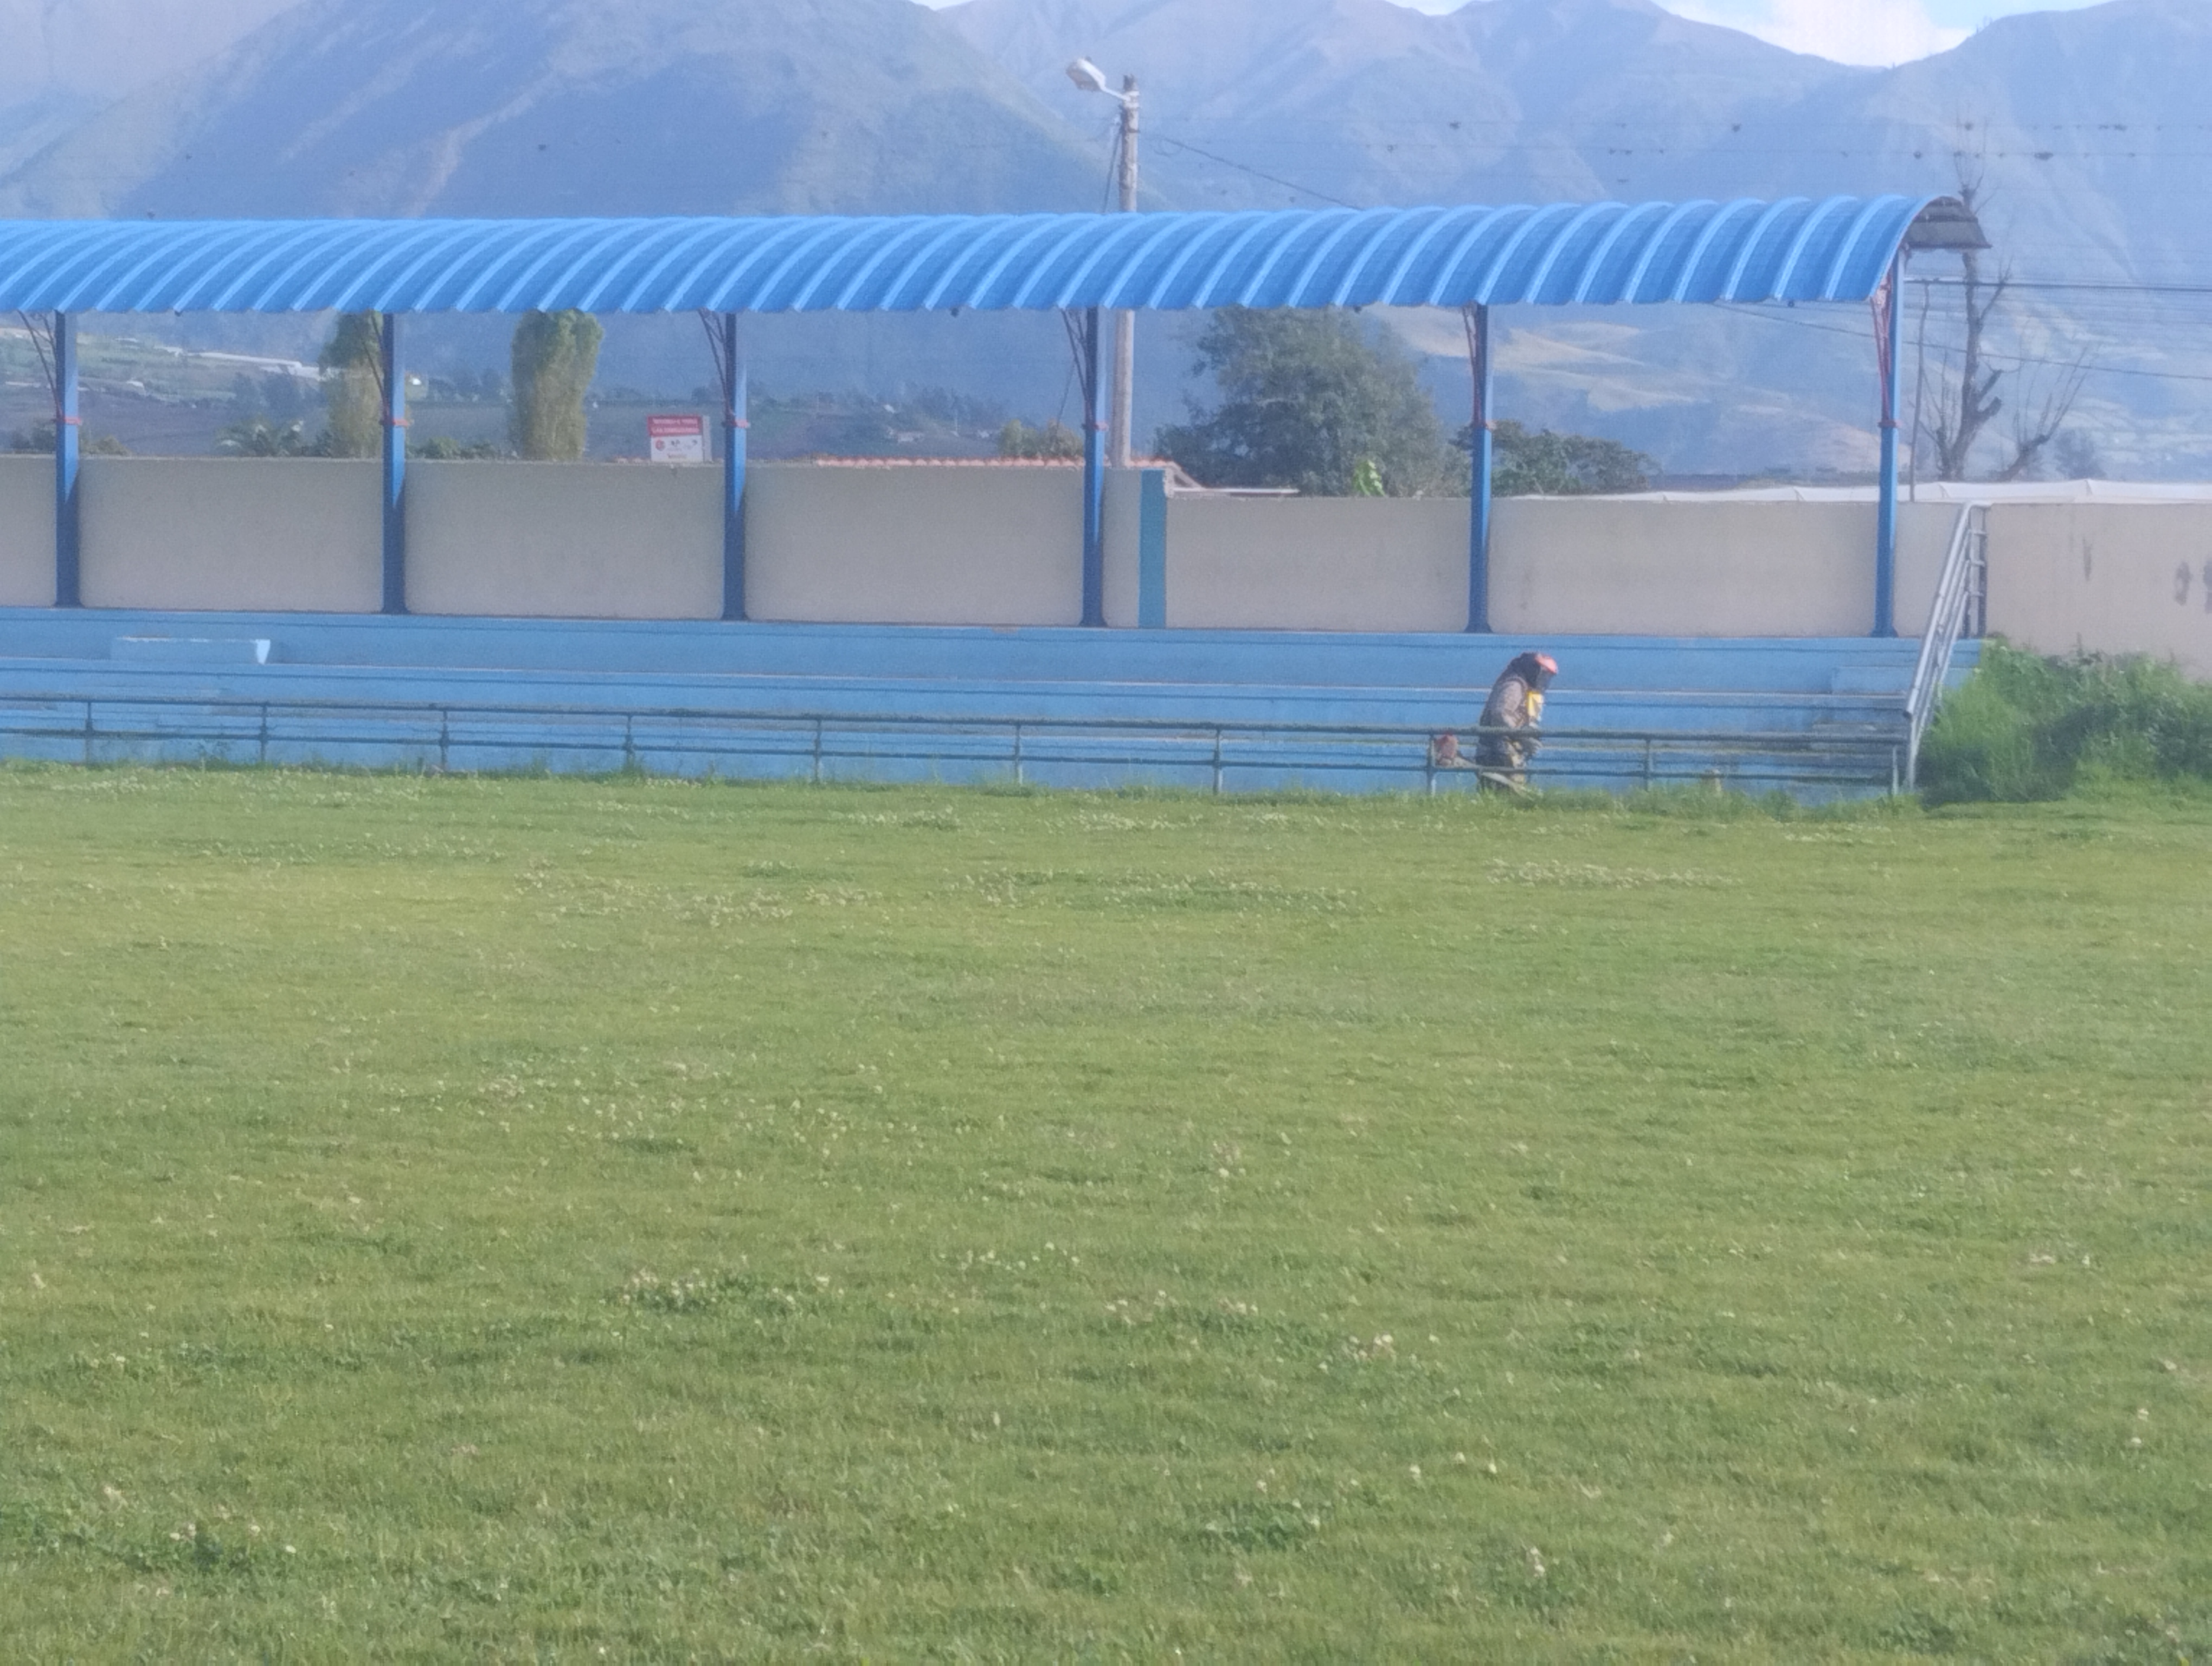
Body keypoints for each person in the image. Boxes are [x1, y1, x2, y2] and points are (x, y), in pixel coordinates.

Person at [1474, 651, 1558, 791]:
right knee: (1505, 791)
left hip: (1505, 747)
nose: (1544, 681)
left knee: (1504, 791)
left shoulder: (1525, 688)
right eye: (1543, 675)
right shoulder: (1514, 686)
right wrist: (1522, 736)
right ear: (1533, 670)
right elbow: (1500, 715)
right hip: (1497, 750)